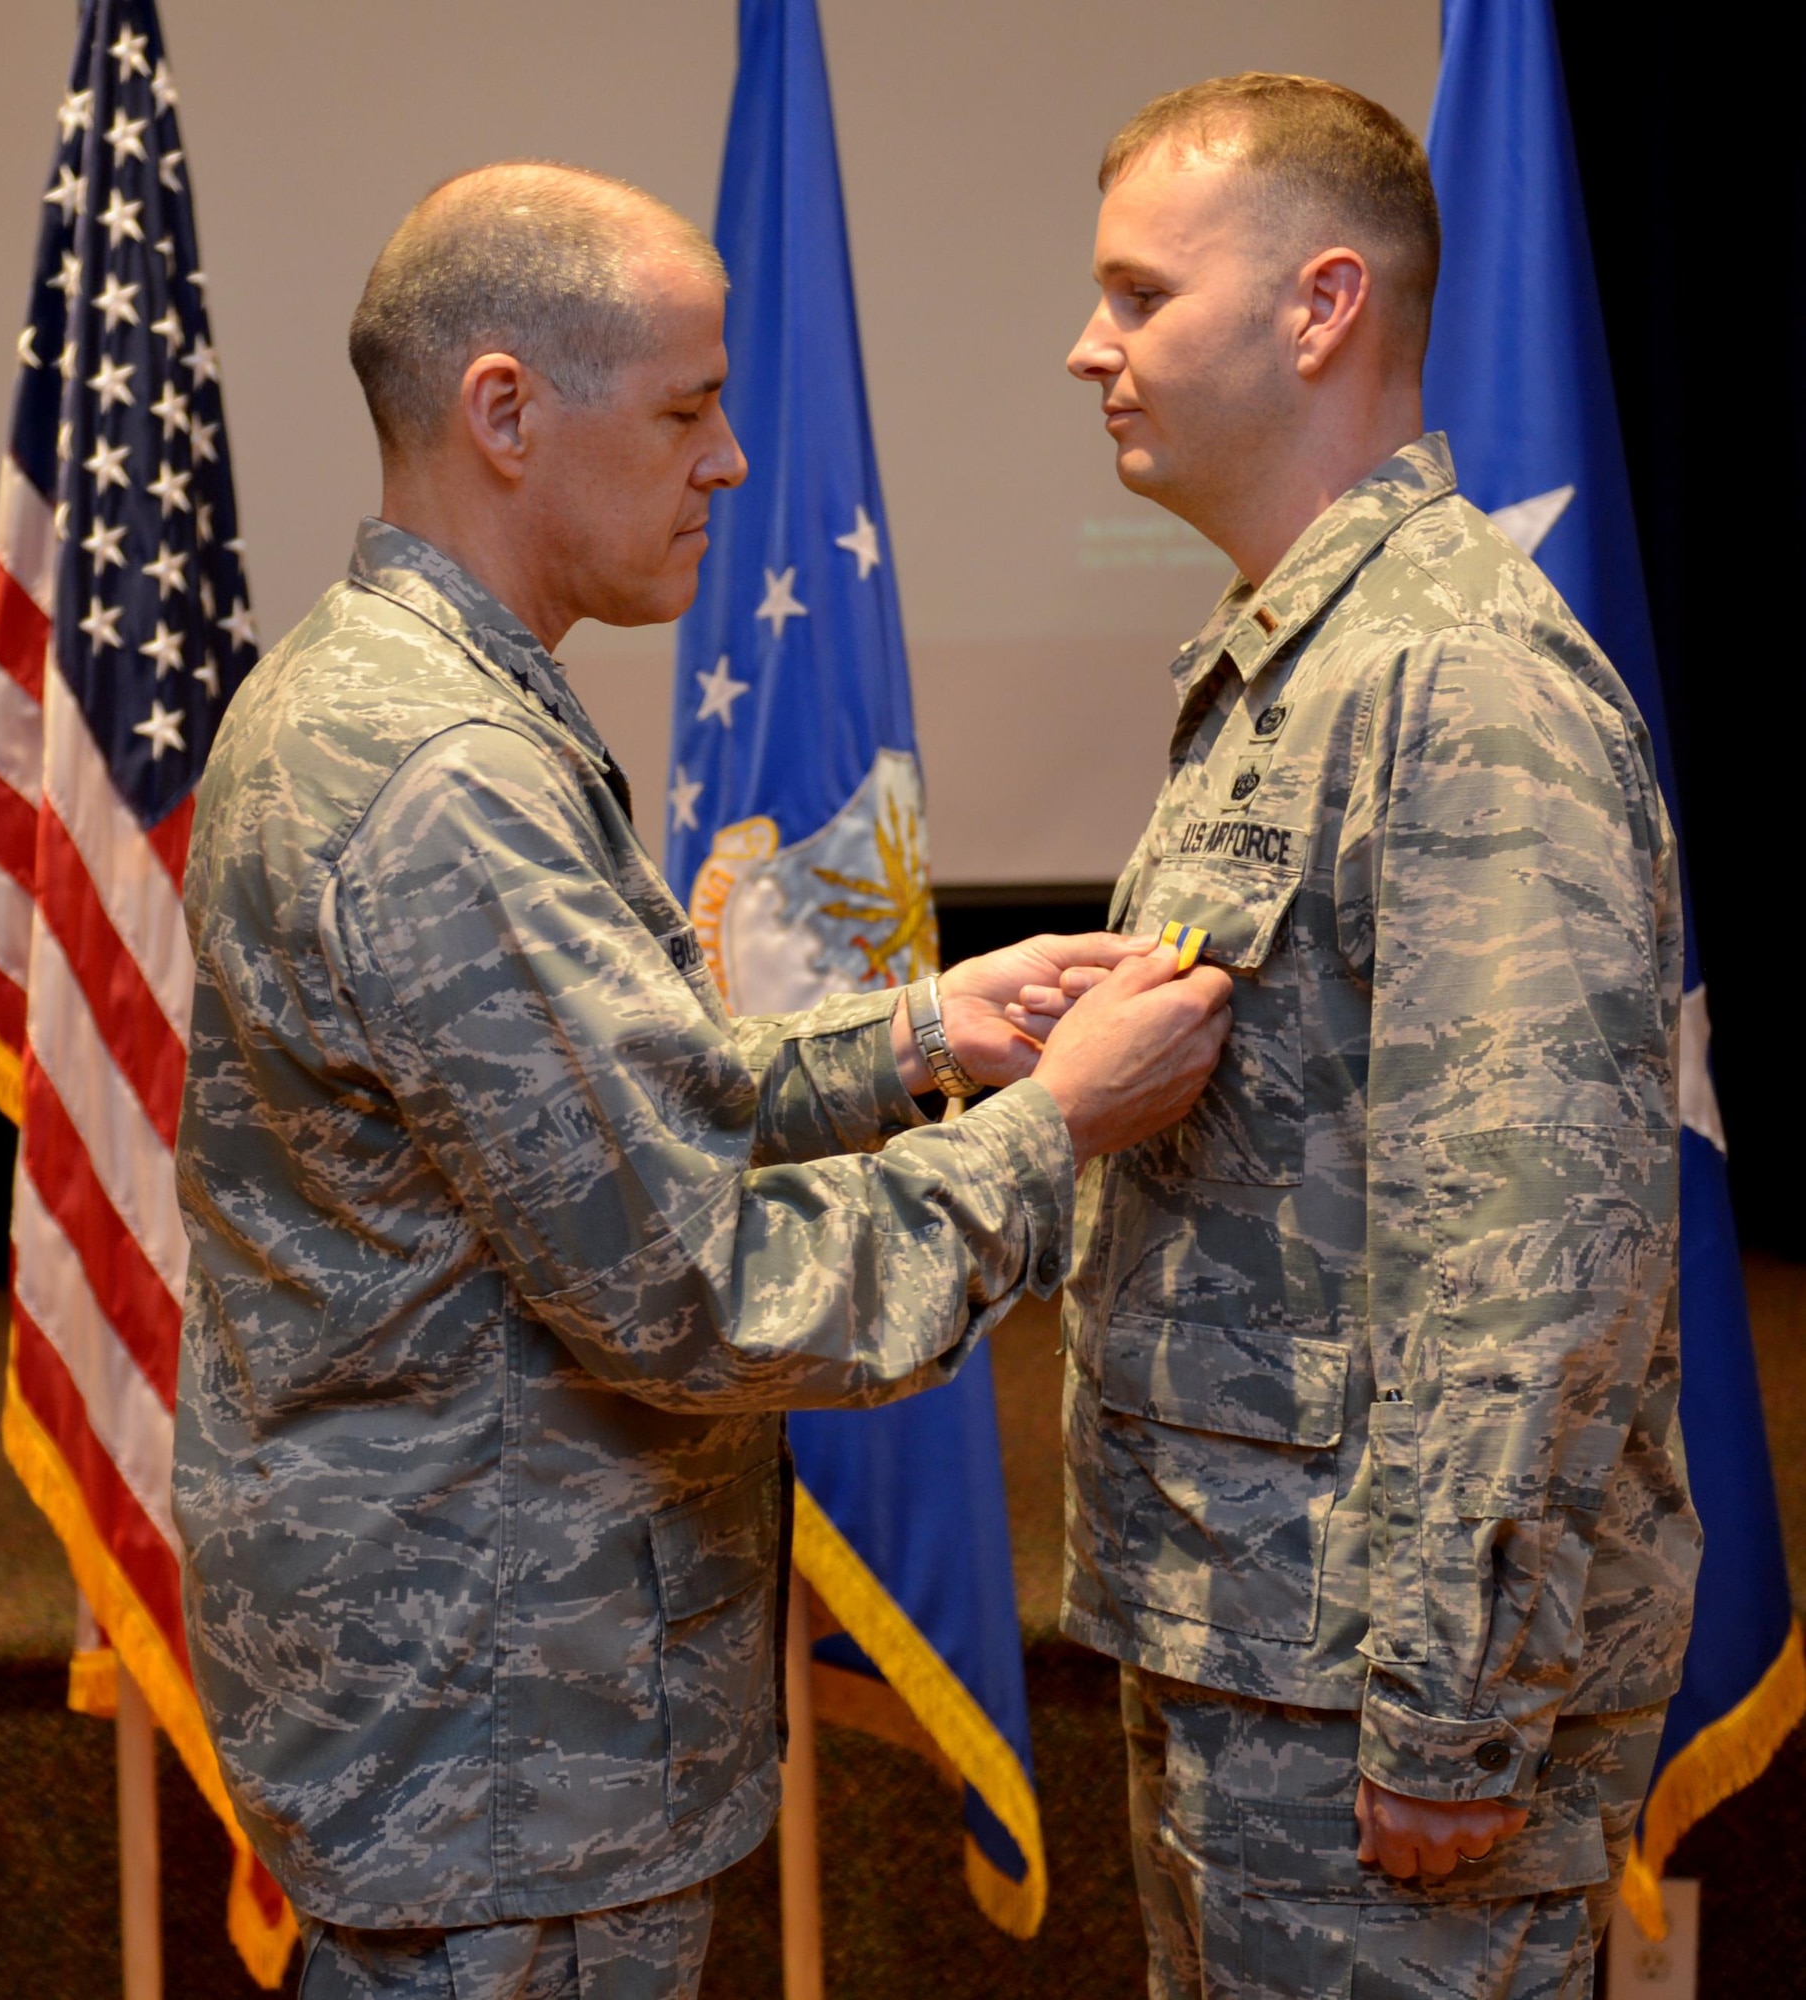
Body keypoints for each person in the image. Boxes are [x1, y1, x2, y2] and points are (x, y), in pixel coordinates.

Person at [172, 161, 1233, 2000]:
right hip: (505, 1744)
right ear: (503, 412)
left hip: (473, 1715)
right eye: (683, 409)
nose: (730, 461)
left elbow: (586, 1120)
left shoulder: (390, 690)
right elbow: (699, 1295)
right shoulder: (444, 778)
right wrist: (1051, 1134)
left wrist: (914, 1041)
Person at [1036, 75, 1701, 1999]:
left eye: (1141, 296)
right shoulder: (1297, 665)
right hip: (1251, 1655)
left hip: (1371, 1712)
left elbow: (1534, 1260)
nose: (1090, 346)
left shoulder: (1460, 684)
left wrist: (1452, 1708)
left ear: (1320, 308)